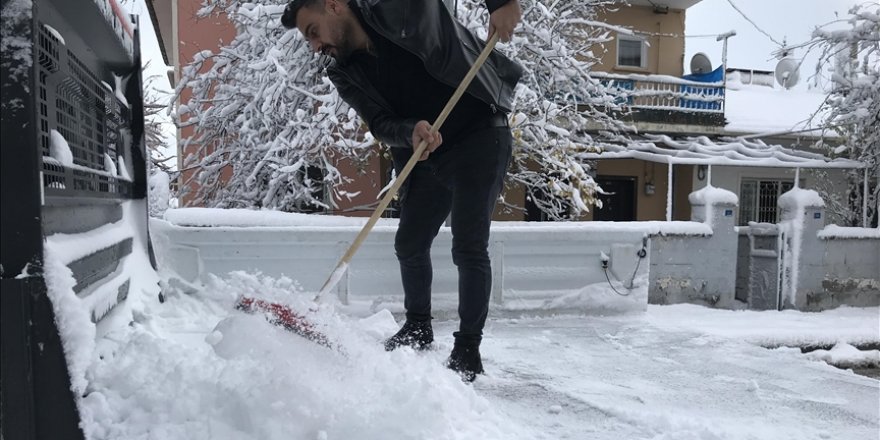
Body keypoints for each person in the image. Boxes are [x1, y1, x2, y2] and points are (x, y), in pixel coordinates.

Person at [282, 0, 522, 381]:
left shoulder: (400, 7)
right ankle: (418, 326)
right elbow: (379, 122)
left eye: (313, 31)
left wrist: (501, 4)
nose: (315, 46)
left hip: (479, 130)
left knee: (468, 245)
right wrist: (409, 130)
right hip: (428, 151)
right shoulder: (345, 73)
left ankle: (467, 349)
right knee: (409, 243)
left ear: (333, 6)